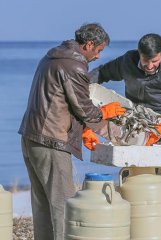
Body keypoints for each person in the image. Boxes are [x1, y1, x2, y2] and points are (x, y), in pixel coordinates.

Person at [18, 23, 126, 240]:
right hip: (51, 141)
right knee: (63, 205)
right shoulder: (74, 66)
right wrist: (104, 112)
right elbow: (84, 108)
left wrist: (83, 129)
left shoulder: (52, 58)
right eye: (99, 50)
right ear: (88, 45)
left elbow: (61, 101)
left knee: (42, 205)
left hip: (31, 136)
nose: (98, 56)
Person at [89, 33, 161, 187]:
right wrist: (78, 87)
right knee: (133, 186)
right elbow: (102, 72)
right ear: (139, 54)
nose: (150, 66)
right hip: (134, 133)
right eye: (146, 60)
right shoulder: (127, 61)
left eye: (155, 61)